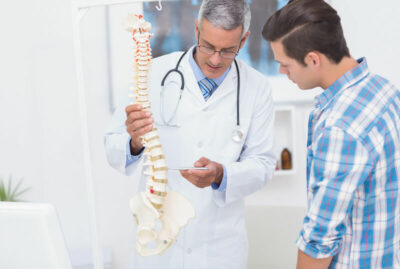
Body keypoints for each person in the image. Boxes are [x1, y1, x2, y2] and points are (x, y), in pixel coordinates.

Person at [104, 0, 276, 268]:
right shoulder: (154, 74)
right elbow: (113, 145)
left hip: (220, 248)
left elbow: (263, 164)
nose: (215, 59)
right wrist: (135, 142)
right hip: (158, 243)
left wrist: (222, 174)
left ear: (243, 40)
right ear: (197, 30)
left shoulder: (257, 88)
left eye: (228, 50)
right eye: (208, 46)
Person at [262, 0, 400, 268]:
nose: (281, 71)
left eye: (285, 64)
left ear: (313, 60)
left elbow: (319, 239)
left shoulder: (341, 127)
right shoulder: (385, 91)